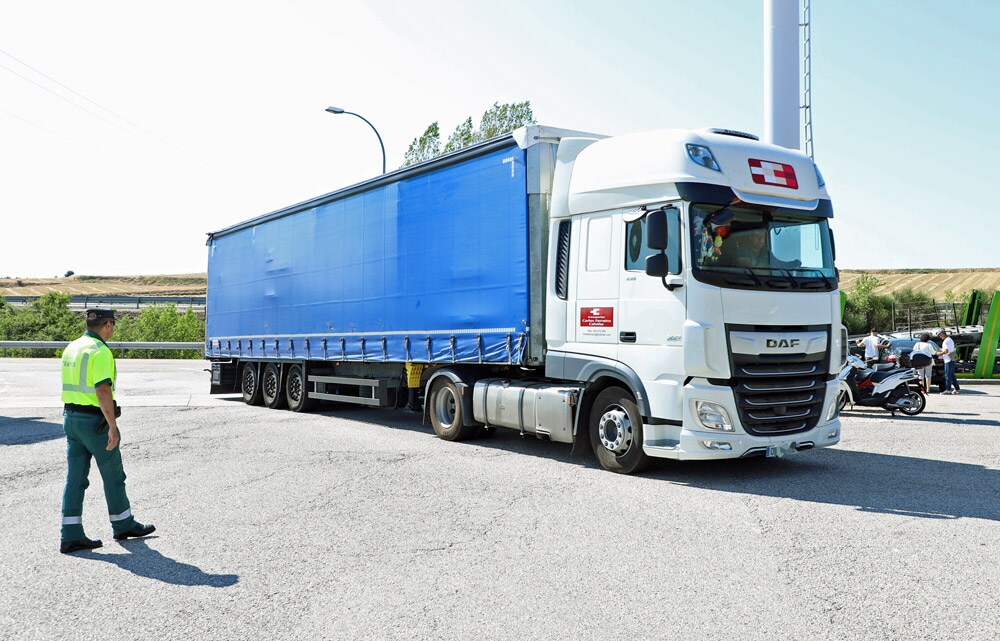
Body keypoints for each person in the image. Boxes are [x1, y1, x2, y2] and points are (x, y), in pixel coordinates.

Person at [60, 309, 155, 554]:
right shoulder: (100, 351)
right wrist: (112, 426)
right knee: (113, 475)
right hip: (94, 423)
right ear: (108, 325)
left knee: (75, 479)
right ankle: (123, 524)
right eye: (113, 325)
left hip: (71, 419)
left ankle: (70, 535)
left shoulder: (72, 347)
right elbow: (102, 391)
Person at [935, 329, 961, 395]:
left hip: (948, 360)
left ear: (942, 334)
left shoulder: (946, 341)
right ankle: (957, 388)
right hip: (951, 359)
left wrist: (939, 354)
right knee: (951, 375)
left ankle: (948, 389)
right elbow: (947, 350)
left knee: (947, 375)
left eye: (939, 335)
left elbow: (946, 351)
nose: (939, 337)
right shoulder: (949, 340)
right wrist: (940, 351)